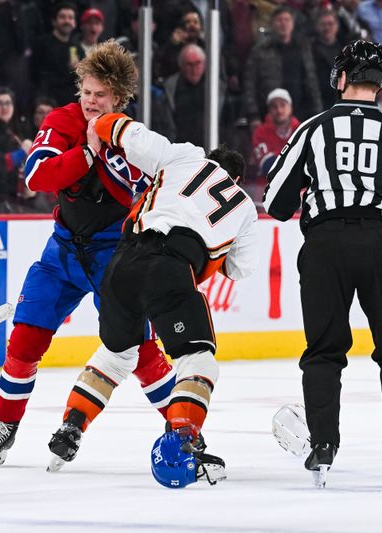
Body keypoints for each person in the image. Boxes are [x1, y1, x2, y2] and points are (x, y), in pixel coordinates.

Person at [0, 41, 176, 468]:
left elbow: (142, 195)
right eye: (85, 91)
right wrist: (86, 152)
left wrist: (105, 150)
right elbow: (36, 176)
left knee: (141, 351)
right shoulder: (63, 120)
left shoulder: (133, 139)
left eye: (99, 94)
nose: (89, 100)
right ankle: (4, 428)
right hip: (62, 251)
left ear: (118, 99)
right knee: (24, 341)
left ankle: (183, 429)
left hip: (114, 257)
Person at [48, 115, 259, 483]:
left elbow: (127, 133)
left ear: (209, 158)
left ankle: (72, 424)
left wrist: (98, 123)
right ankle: (183, 439)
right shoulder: (244, 204)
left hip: (122, 262)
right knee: (199, 360)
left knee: (117, 355)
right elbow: (241, 269)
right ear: (237, 179)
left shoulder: (185, 157)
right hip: (170, 270)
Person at [263, 40, 382, 488]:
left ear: (340, 78)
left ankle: (322, 448)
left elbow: (275, 202)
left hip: (325, 247)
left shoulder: (313, 129)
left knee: (324, 350)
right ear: (380, 84)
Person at [252, 88, 300, 182]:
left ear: (290, 108)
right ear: (269, 110)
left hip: (297, 188)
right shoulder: (260, 132)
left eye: (283, 105)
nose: (279, 110)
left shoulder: (302, 130)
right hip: (267, 188)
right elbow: (267, 165)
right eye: (274, 106)